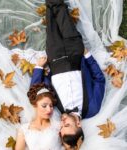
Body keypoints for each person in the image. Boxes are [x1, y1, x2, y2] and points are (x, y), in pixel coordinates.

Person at [30, 0, 105, 149]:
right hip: (75, 54)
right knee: (61, 12)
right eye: (67, 124)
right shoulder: (93, 108)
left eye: (62, 127)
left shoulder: (54, 110)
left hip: (55, 59)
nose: (62, 122)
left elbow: (37, 93)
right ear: (78, 123)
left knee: (50, 17)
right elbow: (99, 80)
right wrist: (88, 57)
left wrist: (39, 68)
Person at [15, 83, 64, 150]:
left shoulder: (58, 126)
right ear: (35, 105)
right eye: (44, 106)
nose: (49, 110)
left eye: (51, 106)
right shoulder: (24, 129)